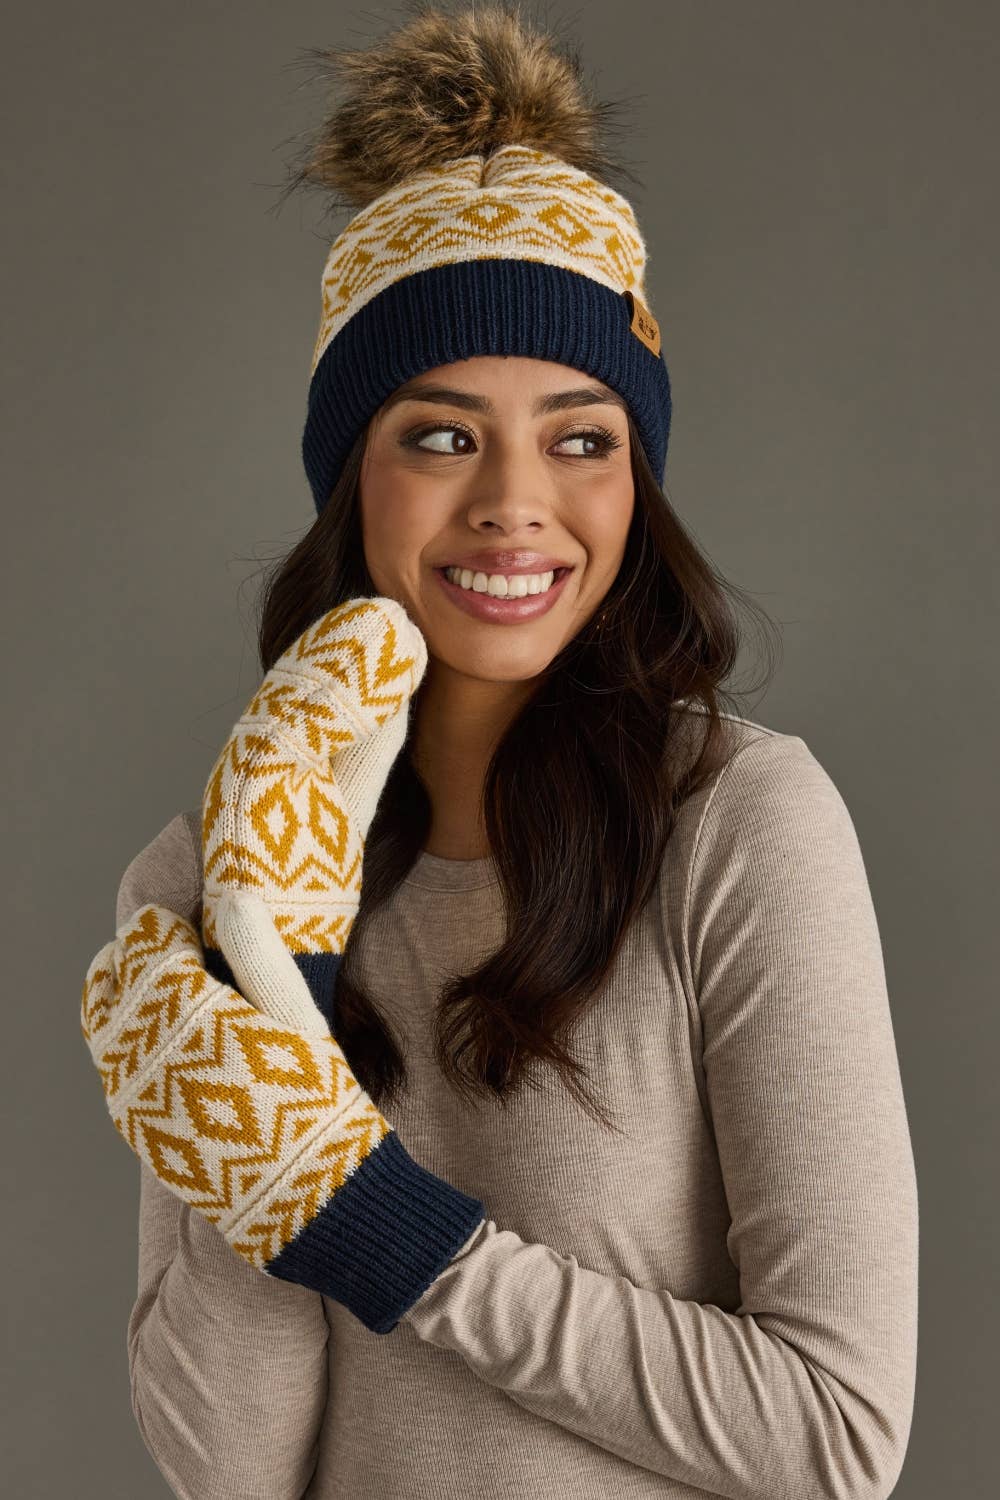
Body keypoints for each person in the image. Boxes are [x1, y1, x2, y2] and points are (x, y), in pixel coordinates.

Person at [87, 6, 919, 1497]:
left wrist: (372, 1222)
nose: (515, 505)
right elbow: (230, 1470)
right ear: (356, 475)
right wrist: (289, 981)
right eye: (444, 435)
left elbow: (836, 1437)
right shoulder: (213, 874)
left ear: (636, 477)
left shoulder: (739, 826)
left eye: (582, 436)